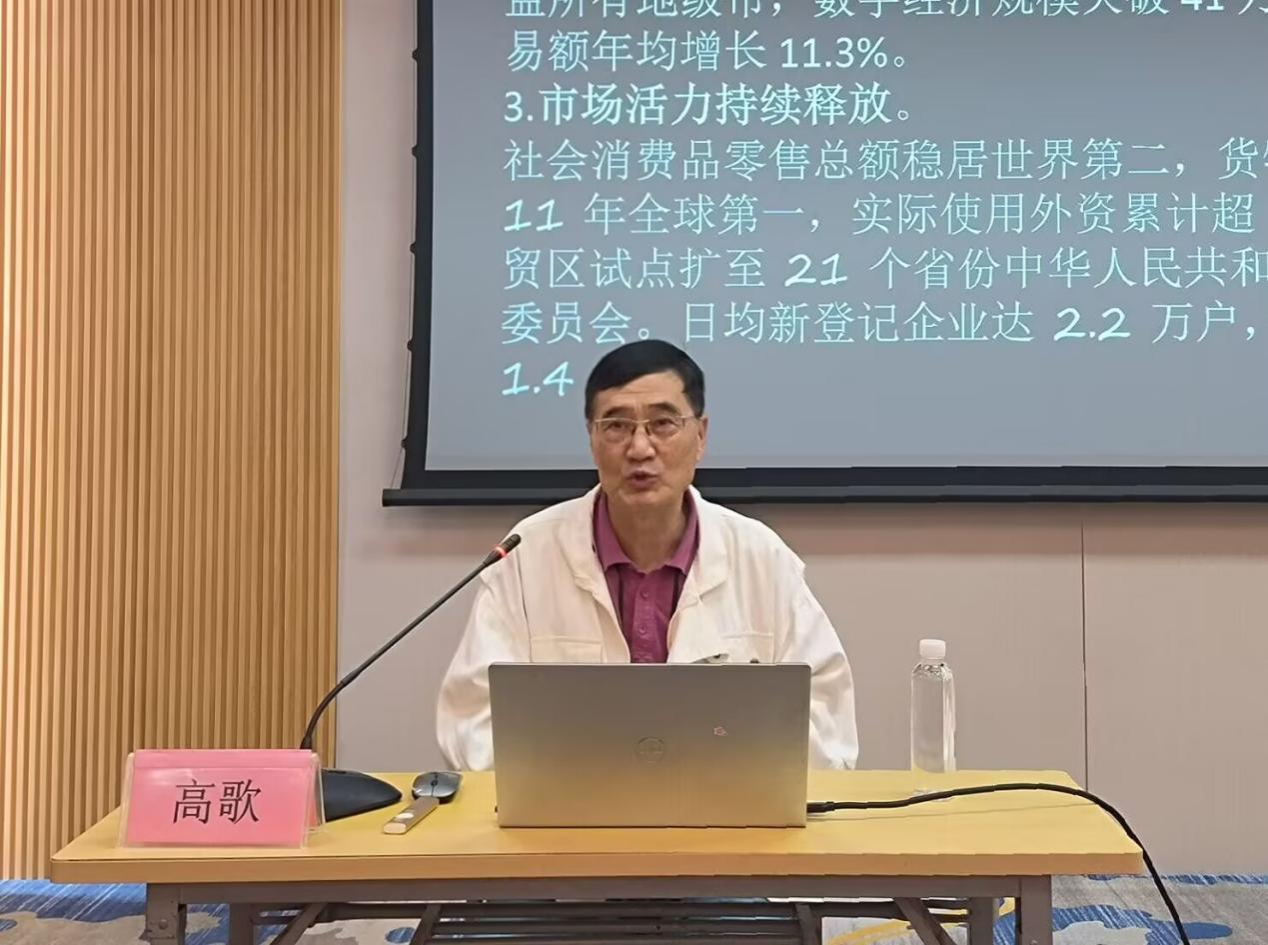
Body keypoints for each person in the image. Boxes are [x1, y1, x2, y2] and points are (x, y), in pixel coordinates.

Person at [436, 339, 858, 770]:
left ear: (700, 436)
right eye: (616, 426)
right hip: (571, 807)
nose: (640, 448)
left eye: (663, 424)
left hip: (724, 804)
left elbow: (826, 721)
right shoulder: (527, 554)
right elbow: (473, 718)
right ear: (592, 438)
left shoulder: (761, 557)